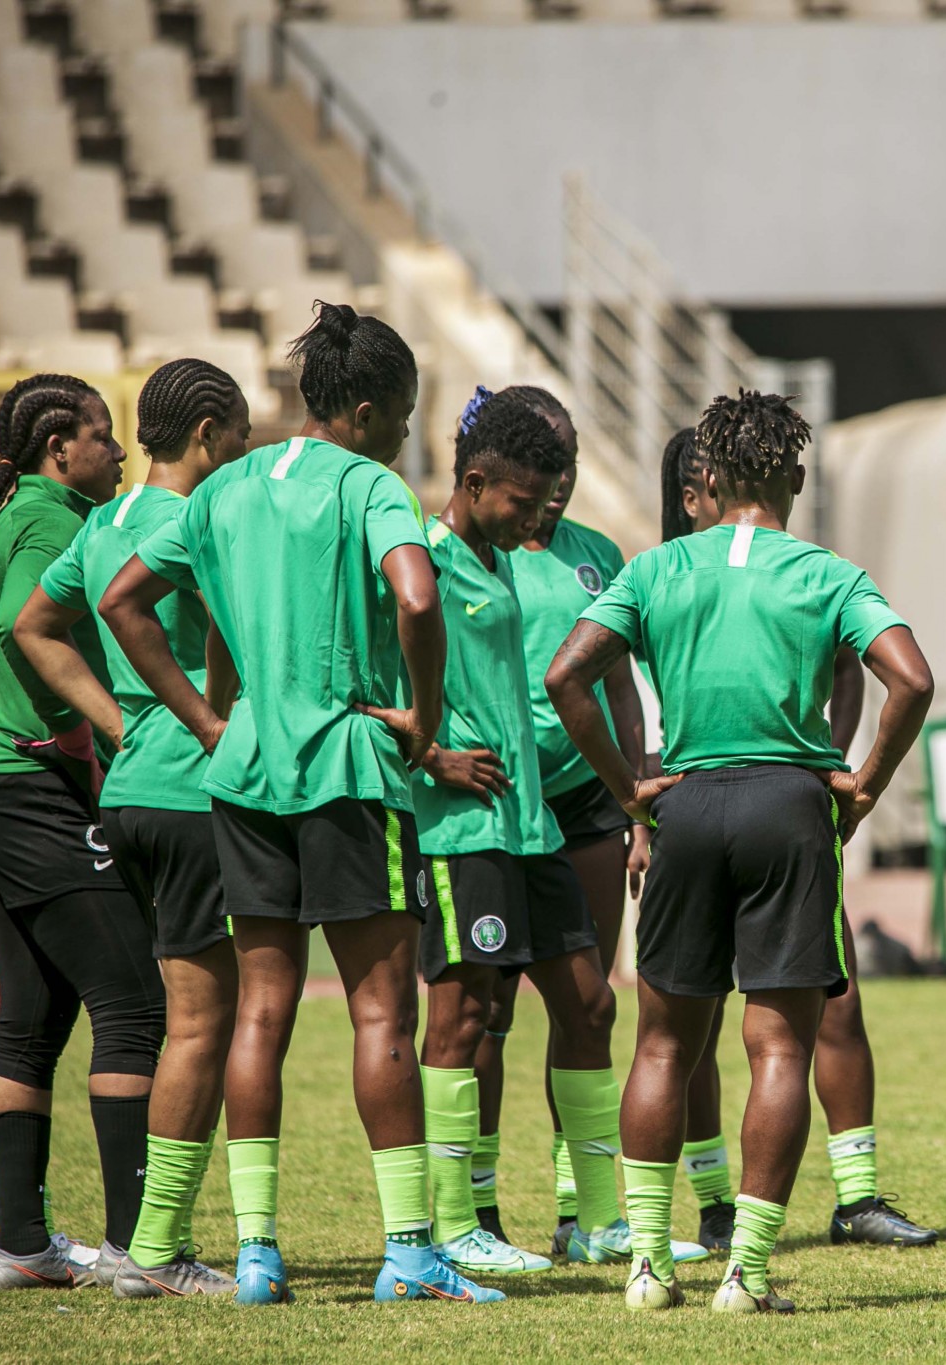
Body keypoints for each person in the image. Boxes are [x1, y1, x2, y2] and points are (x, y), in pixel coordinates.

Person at [99, 302, 498, 1305]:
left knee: (259, 1015)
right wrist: (423, 716)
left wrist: (204, 721)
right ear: (365, 410)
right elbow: (415, 597)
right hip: (349, 773)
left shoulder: (227, 485)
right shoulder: (369, 484)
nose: (406, 435)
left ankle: (254, 1257)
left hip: (241, 779)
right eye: (404, 416)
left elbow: (122, 603)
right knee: (380, 1015)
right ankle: (409, 1252)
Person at [545, 390, 933, 1314]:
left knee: (664, 1044)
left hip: (685, 803)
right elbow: (910, 679)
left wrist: (626, 787)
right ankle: (746, 1274)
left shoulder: (656, 569)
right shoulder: (828, 572)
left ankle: (646, 1266)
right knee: (777, 1047)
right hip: (789, 805)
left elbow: (566, 674)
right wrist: (864, 781)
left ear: (706, 479)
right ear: (796, 478)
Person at [656, 426, 937, 1255]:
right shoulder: (669, 577)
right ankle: (716, 1207)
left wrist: (837, 771)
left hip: (771, 805)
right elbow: (620, 693)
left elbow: (853, 672)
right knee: (691, 1027)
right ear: (690, 493)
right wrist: (637, 811)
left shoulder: (792, 575)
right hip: (696, 804)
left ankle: (855, 1196)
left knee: (830, 1002)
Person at [376, 386, 630, 1280]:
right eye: (521, 501)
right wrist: (431, 750)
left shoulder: (500, 558)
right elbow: (357, 680)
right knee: (465, 1015)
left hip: (530, 828)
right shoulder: (425, 560)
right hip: (459, 830)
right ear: (476, 480)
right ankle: (452, 1226)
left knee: (591, 1001)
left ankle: (598, 1222)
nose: (536, 518)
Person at [14, 359, 254, 1297]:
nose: (245, 452)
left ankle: (147, 1241)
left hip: (131, 791)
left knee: (175, 1017)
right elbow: (229, 633)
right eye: (238, 435)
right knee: (202, 1021)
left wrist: (118, 725)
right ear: (205, 434)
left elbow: (36, 626)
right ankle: (152, 1250)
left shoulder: (107, 521)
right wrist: (209, 716)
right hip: (195, 789)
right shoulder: (196, 518)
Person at [0, 373, 165, 1291]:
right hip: (30, 793)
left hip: (0, 784)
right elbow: (26, 629)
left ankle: (22, 1247)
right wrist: (92, 727)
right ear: (56, 448)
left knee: (33, 1019)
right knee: (135, 1005)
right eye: (103, 436)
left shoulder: (19, 513)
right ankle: (130, 1247)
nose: (115, 452)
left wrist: (1, 719)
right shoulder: (50, 521)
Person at [454, 387, 653, 1265]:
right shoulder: (452, 549)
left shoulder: (596, 557)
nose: (558, 487)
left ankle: (586, 1214)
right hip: (486, 802)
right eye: (544, 469)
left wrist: (639, 793)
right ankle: (480, 1212)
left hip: (580, 801)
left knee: (589, 1003)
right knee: (484, 1011)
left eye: (567, 468)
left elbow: (615, 685)